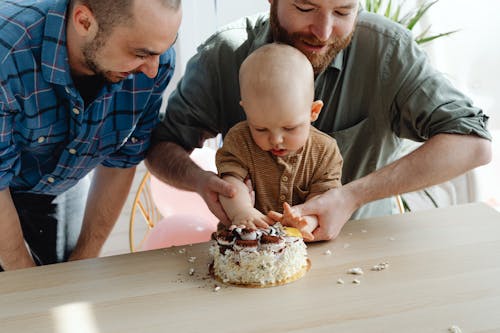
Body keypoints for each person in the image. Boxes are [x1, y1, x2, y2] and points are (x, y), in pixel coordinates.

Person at [147, 0, 491, 242]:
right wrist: (201, 182)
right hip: (254, 251)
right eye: (305, 8)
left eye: (343, 11)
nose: (324, 32)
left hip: (367, 245)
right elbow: (162, 145)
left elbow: (473, 143)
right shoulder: (224, 54)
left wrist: (351, 197)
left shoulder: (388, 51)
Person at [0, 0, 182, 271]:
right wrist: (22, 274)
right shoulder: (7, 52)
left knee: (68, 287)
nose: (153, 69)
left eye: (161, 51)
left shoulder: (156, 62)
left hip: (57, 184)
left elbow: (122, 161)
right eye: (140, 52)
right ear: (83, 21)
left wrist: (85, 261)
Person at [216, 43, 343, 240]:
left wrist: (305, 223)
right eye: (260, 128)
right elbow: (230, 183)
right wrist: (241, 212)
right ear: (246, 110)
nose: (276, 140)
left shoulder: (325, 151)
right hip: (243, 246)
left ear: (313, 112)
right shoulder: (240, 140)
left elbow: (323, 201)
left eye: (290, 128)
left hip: (300, 248)